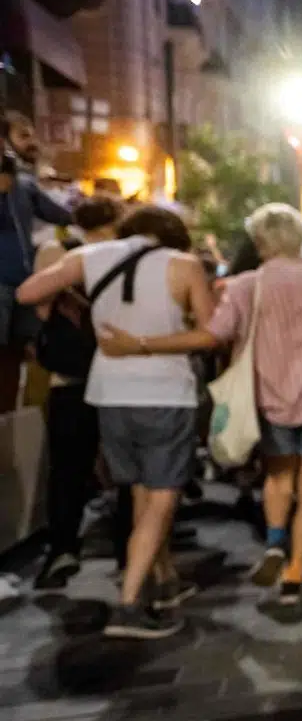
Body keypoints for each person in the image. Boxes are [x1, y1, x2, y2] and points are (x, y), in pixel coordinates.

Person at [99, 204, 302, 608]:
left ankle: (274, 541)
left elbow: (213, 334)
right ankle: (296, 570)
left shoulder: (247, 284)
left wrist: (142, 344)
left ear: (261, 241)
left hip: (269, 393)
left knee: (279, 476)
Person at [20, 206, 211, 638]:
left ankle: (162, 583)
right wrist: (143, 343)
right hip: (164, 392)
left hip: (108, 393)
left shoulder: (92, 256)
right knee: (162, 497)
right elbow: (209, 333)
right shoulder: (184, 265)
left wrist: (73, 300)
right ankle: (128, 605)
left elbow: (28, 294)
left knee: (141, 492)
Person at [29, 197, 122, 589]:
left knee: (67, 469)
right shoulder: (126, 256)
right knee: (127, 470)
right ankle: (131, 555)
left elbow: (38, 308)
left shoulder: (57, 252)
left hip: (70, 375)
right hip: (118, 371)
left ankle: (62, 549)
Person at [0, 112, 73, 413]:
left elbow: (61, 215)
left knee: (19, 353)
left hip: (24, 283)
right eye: (22, 135)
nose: (31, 143)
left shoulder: (26, 186)